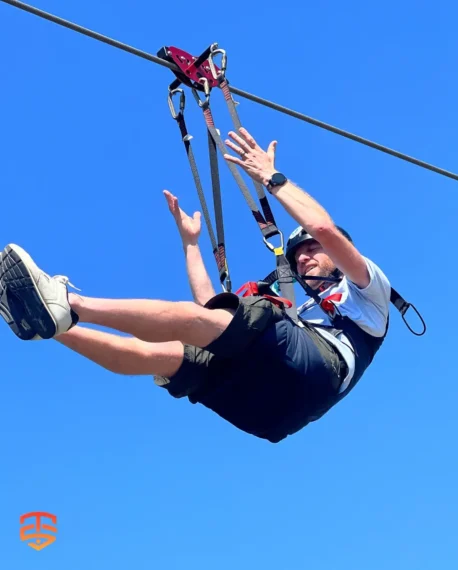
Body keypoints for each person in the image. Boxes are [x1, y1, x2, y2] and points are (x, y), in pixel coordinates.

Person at [0, 127, 391, 443]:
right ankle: (45, 321)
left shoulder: (368, 291)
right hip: (271, 413)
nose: (303, 256)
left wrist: (269, 177)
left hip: (315, 375)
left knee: (260, 310)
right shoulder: (305, 315)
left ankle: (68, 302)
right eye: (298, 254)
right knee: (170, 355)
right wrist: (191, 245)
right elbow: (209, 314)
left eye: (312, 249)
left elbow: (323, 226)